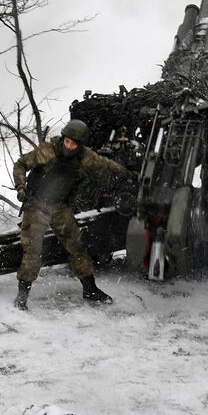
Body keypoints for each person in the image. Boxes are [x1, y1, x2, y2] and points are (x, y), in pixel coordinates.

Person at [11, 119, 131, 309]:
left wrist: (129, 174)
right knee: (33, 251)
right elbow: (20, 164)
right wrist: (20, 187)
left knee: (77, 247)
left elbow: (105, 164)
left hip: (59, 207)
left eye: (74, 144)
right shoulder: (47, 152)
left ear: (79, 145)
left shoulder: (84, 156)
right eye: (67, 141)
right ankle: (22, 297)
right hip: (37, 205)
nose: (69, 146)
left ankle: (90, 289)